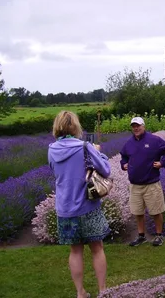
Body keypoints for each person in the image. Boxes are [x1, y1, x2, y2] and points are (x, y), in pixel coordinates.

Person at [48, 111, 111, 298]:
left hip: (65, 210)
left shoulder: (51, 150)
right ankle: (103, 291)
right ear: (75, 126)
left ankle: (80, 293)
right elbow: (105, 170)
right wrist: (99, 153)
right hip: (88, 207)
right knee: (97, 248)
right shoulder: (84, 147)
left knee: (75, 251)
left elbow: (55, 171)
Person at [120, 116, 165, 247]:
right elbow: (123, 156)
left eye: (138, 125)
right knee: (137, 212)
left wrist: (162, 163)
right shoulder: (129, 143)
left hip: (151, 183)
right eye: (133, 126)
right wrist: (124, 164)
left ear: (143, 126)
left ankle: (159, 235)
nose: (136, 128)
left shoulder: (154, 140)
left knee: (156, 211)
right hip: (135, 185)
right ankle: (141, 236)